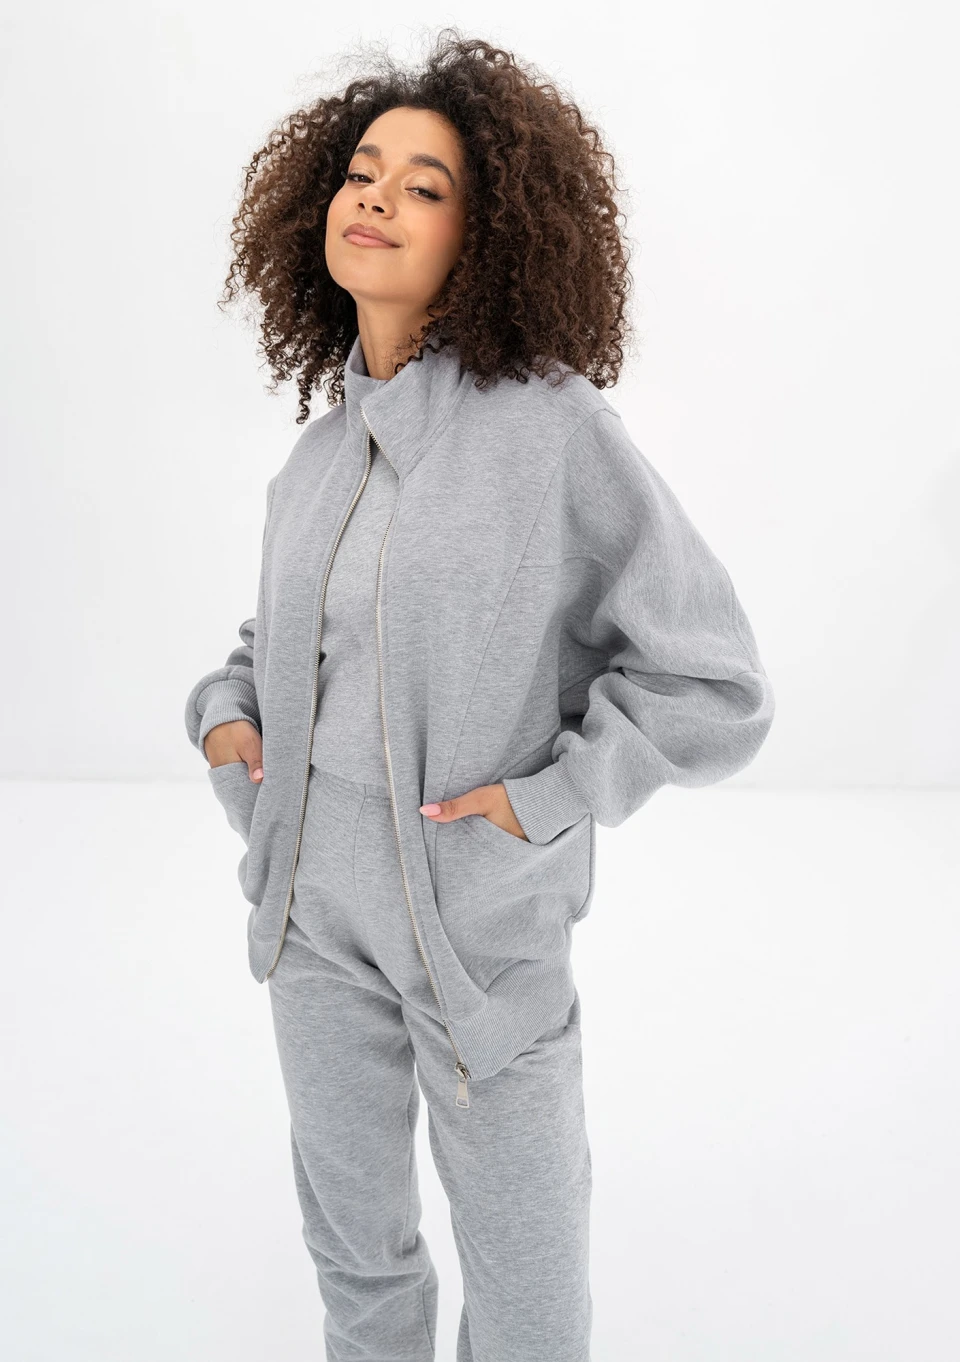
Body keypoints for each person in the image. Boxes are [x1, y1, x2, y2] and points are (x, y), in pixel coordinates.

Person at [183, 30, 775, 1362]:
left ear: (487, 234)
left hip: (480, 942)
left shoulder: (552, 433)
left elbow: (716, 679)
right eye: (361, 171)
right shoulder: (318, 458)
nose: (377, 197)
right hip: (310, 927)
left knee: (527, 1300)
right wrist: (226, 723)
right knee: (359, 1265)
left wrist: (545, 803)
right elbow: (280, 645)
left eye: (426, 185)